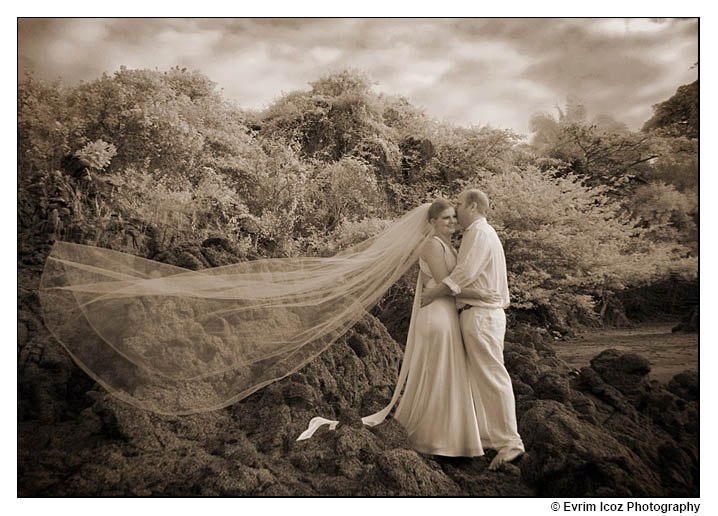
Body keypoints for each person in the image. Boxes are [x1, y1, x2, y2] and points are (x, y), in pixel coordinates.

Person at [297, 200, 500, 458]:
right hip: (437, 317)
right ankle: (433, 440)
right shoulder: (432, 245)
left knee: (445, 373)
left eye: (452, 217)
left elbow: (451, 285)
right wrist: (485, 295)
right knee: (438, 374)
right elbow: (446, 285)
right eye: (445, 218)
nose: (451, 221)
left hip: (445, 315)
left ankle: (451, 438)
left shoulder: (447, 245)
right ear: (431, 223)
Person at [422, 189, 525, 470]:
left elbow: (465, 273)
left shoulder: (480, 233)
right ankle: (491, 437)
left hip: (481, 316)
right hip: (476, 314)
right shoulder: (477, 233)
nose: (457, 210)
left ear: (473, 205)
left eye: (459, 204)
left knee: (492, 376)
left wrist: (435, 292)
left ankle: (510, 443)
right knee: (482, 377)